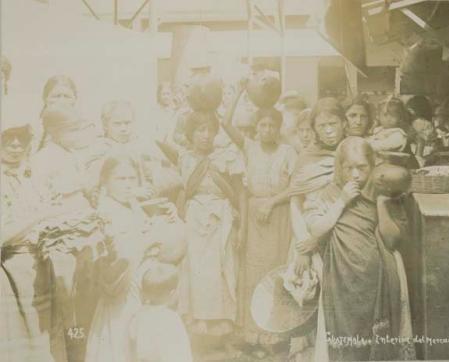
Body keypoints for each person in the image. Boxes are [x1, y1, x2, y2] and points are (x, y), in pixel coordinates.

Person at [318, 137, 415, 361]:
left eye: (362, 167)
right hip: (341, 277)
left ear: (372, 167)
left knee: (374, 332)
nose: (355, 175)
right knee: (346, 330)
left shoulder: (387, 194)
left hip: (378, 277)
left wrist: (381, 202)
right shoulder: (331, 193)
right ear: (339, 168)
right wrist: (342, 200)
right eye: (348, 168)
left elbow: (391, 241)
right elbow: (318, 230)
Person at [222, 79, 297, 358]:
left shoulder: (288, 152)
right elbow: (226, 123)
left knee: (273, 275)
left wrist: (273, 202)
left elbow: (295, 187)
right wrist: (241, 90)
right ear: (256, 128)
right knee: (251, 274)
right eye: (262, 125)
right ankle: (251, 335)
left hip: (278, 217)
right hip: (254, 219)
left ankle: (272, 335)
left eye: (272, 126)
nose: (267, 130)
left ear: (279, 128)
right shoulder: (250, 147)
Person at [85, 154, 184, 362]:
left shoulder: (132, 205)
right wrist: (147, 242)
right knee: (123, 339)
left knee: (145, 339)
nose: (128, 185)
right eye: (121, 179)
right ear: (105, 181)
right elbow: (116, 257)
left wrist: (168, 217)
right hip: (123, 288)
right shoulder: (105, 212)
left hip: (141, 285)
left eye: (132, 179)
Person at [175, 111, 245, 359]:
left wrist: (242, 225)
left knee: (223, 273)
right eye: (199, 130)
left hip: (222, 218)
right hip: (194, 220)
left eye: (210, 130)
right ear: (190, 133)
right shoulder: (184, 159)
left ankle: (224, 334)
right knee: (197, 275)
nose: (205, 135)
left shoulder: (226, 157)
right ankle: (200, 335)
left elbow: (238, 192)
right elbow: (182, 192)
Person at [0, 116, 67, 362]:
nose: (16, 144)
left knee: (46, 339)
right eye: (8, 138)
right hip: (10, 272)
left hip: (42, 267)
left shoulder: (34, 177)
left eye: (22, 138)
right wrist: (40, 216)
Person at [285, 97, 346, 361]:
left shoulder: (351, 153)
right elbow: (295, 202)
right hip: (307, 239)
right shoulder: (307, 157)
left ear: (343, 123)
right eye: (322, 126)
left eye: (333, 123)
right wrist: (303, 245)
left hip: (339, 236)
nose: (329, 130)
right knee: (309, 301)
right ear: (314, 128)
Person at [129, 263, 192, 362]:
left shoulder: (139, 315)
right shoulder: (171, 318)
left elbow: (132, 339)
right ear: (172, 293)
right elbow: (181, 351)